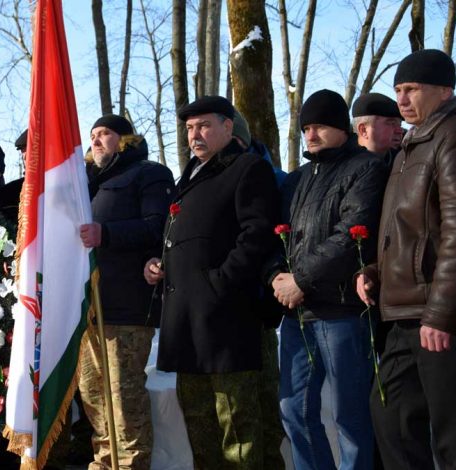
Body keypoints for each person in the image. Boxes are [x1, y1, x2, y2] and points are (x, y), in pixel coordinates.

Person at [144, 96, 280, 469]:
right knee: (200, 425)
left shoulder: (246, 169)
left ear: (227, 127)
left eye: (203, 125)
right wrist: (159, 263)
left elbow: (257, 236)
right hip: (187, 322)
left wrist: (219, 283)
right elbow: (184, 241)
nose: (194, 135)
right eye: (189, 128)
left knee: (238, 431)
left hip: (227, 322)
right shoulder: (188, 177)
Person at [356, 49, 456, 470]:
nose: (402, 100)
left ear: (444, 90)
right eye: (398, 90)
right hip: (402, 312)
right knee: (390, 417)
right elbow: (403, 232)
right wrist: (373, 271)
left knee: (455, 437)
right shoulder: (409, 147)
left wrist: (441, 314)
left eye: (412, 89)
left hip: (441, 316)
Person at [268, 89, 388, 470]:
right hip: (298, 315)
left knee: (350, 417)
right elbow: (275, 234)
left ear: (341, 127)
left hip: (343, 314)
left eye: (319, 126)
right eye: (305, 128)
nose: (311, 135)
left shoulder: (366, 167)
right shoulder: (297, 178)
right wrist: (275, 276)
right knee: (293, 410)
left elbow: (352, 232)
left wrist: (300, 279)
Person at [78, 114, 174, 470]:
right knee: (93, 395)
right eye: (93, 135)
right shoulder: (86, 181)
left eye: (105, 134)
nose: (97, 140)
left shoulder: (149, 174)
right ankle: (104, 462)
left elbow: (158, 228)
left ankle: (131, 464)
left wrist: (108, 234)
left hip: (127, 307)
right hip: (89, 308)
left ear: (126, 140)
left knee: (123, 396)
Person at [231, 110, 286, 470]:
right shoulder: (207, 178)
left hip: (263, 306)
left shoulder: (276, 180)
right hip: (227, 308)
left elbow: (274, 239)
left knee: (266, 404)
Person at [351, 92, 404, 167]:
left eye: (400, 125)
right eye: (391, 123)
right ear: (364, 130)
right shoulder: (339, 165)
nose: (400, 131)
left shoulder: (404, 163)